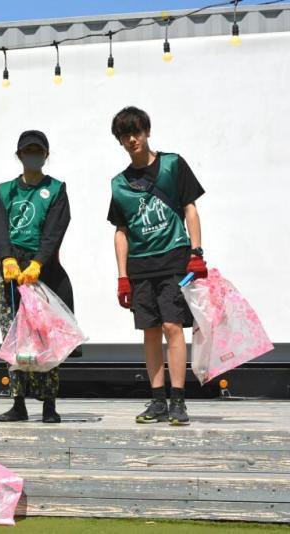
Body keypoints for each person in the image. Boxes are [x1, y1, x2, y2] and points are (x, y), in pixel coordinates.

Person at [108, 106, 207, 426]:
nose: (132, 138)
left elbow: (190, 208)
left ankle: (179, 400)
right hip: (140, 266)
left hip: (175, 258)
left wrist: (197, 252)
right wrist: (123, 276)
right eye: (125, 135)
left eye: (136, 131)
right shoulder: (119, 184)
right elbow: (120, 231)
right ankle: (157, 400)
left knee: (172, 326)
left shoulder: (172, 165)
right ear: (120, 141)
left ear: (147, 131)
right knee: (150, 332)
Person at [0, 130, 76, 424]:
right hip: (12, 274)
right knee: (14, 339)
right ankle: (17, 402)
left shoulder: (55, 189)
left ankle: (49, 403)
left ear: (46, 155)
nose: (33, 156)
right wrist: (7, 257)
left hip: (43, 274)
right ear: (19, 156)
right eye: (27, 151)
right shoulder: (4, 191)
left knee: (45, 337)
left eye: (38, 151)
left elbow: (55, 229)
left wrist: (39, 262)